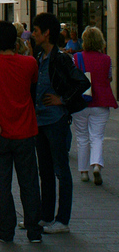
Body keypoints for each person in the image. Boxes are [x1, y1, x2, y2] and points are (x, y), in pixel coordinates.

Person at [0, 21, 42, 243]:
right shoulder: (30, 63)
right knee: (29, 182)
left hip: (0, 133)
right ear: (15, 40)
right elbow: (33, 86)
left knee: (1, 183)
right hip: (26, 130)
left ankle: (6, 229)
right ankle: (34, 230)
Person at [32, 12, 89, 234]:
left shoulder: (60, 58)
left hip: (55, 120)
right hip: (41, 120)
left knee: (61, 170)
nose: (34, 34)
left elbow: (82, 82)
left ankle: (62, 220)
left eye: (36, 31)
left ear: (46, 33)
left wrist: (62, 100)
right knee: (45, 170)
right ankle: (46, 216)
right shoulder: (41, 56)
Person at [72, 26, 117, 185]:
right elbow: (109, 78)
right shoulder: (107, 59)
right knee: (97, 137)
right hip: (101, 102)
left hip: (81, 102)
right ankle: (96, 164)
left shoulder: (76, 58)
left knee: (82, 137)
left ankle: (84, 172)